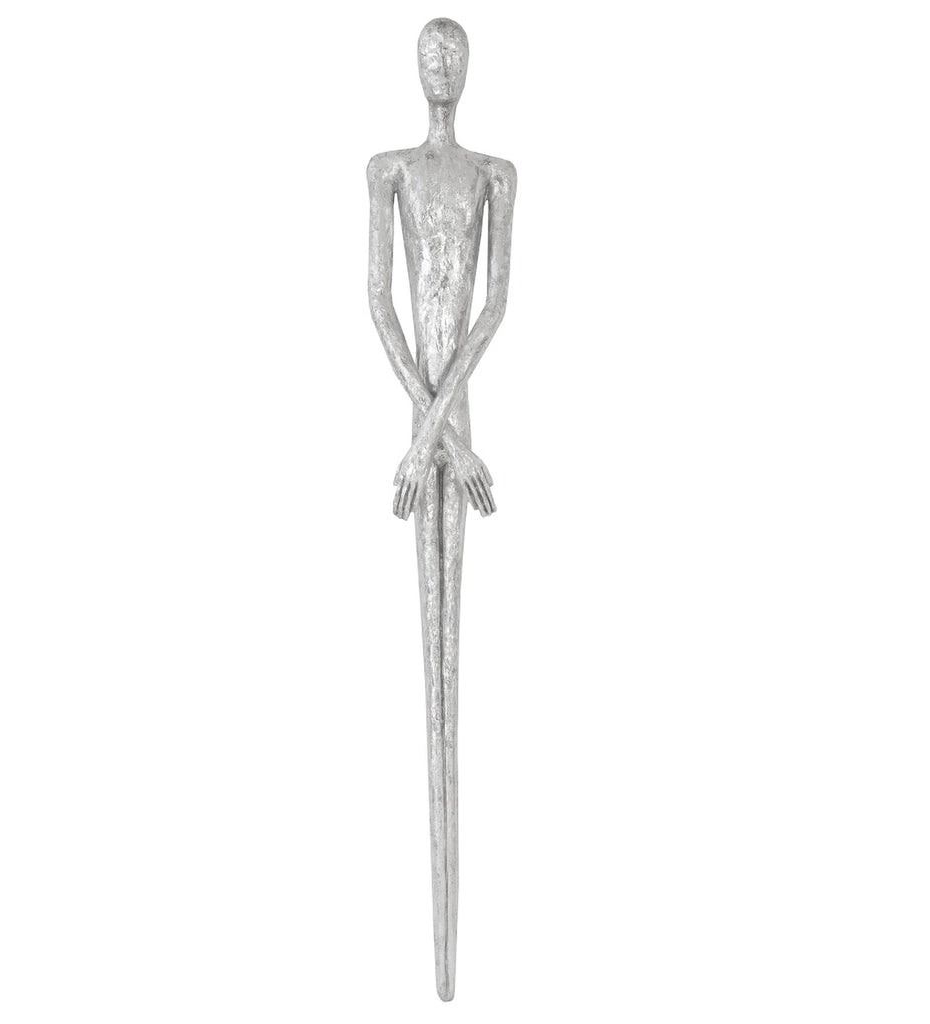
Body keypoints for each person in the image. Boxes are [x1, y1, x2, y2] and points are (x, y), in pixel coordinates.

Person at [366, 17, 516, 1001]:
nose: (442, 66)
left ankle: (451, 971)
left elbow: (494, 304)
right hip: (437, 424)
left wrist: (436, 438)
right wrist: (439, 439)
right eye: (430, 53)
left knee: (452, 652)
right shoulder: (387, 171)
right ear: (415, 67)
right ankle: (439, 971)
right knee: (429, 657)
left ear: (469, 67)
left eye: (454, 53)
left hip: (445, 418)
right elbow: (377, 303)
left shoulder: (497, 174)